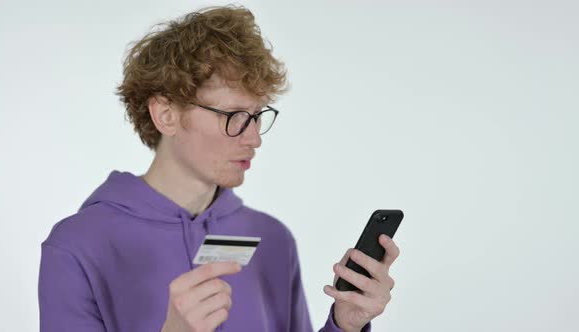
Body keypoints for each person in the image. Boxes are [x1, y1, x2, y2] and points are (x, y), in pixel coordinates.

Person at [38, 5, 400, 332]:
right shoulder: (77, 246)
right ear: (166, 114)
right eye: (234, 116)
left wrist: (345, 324)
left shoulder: (272, 238)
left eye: (257, 116)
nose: (255, 138)